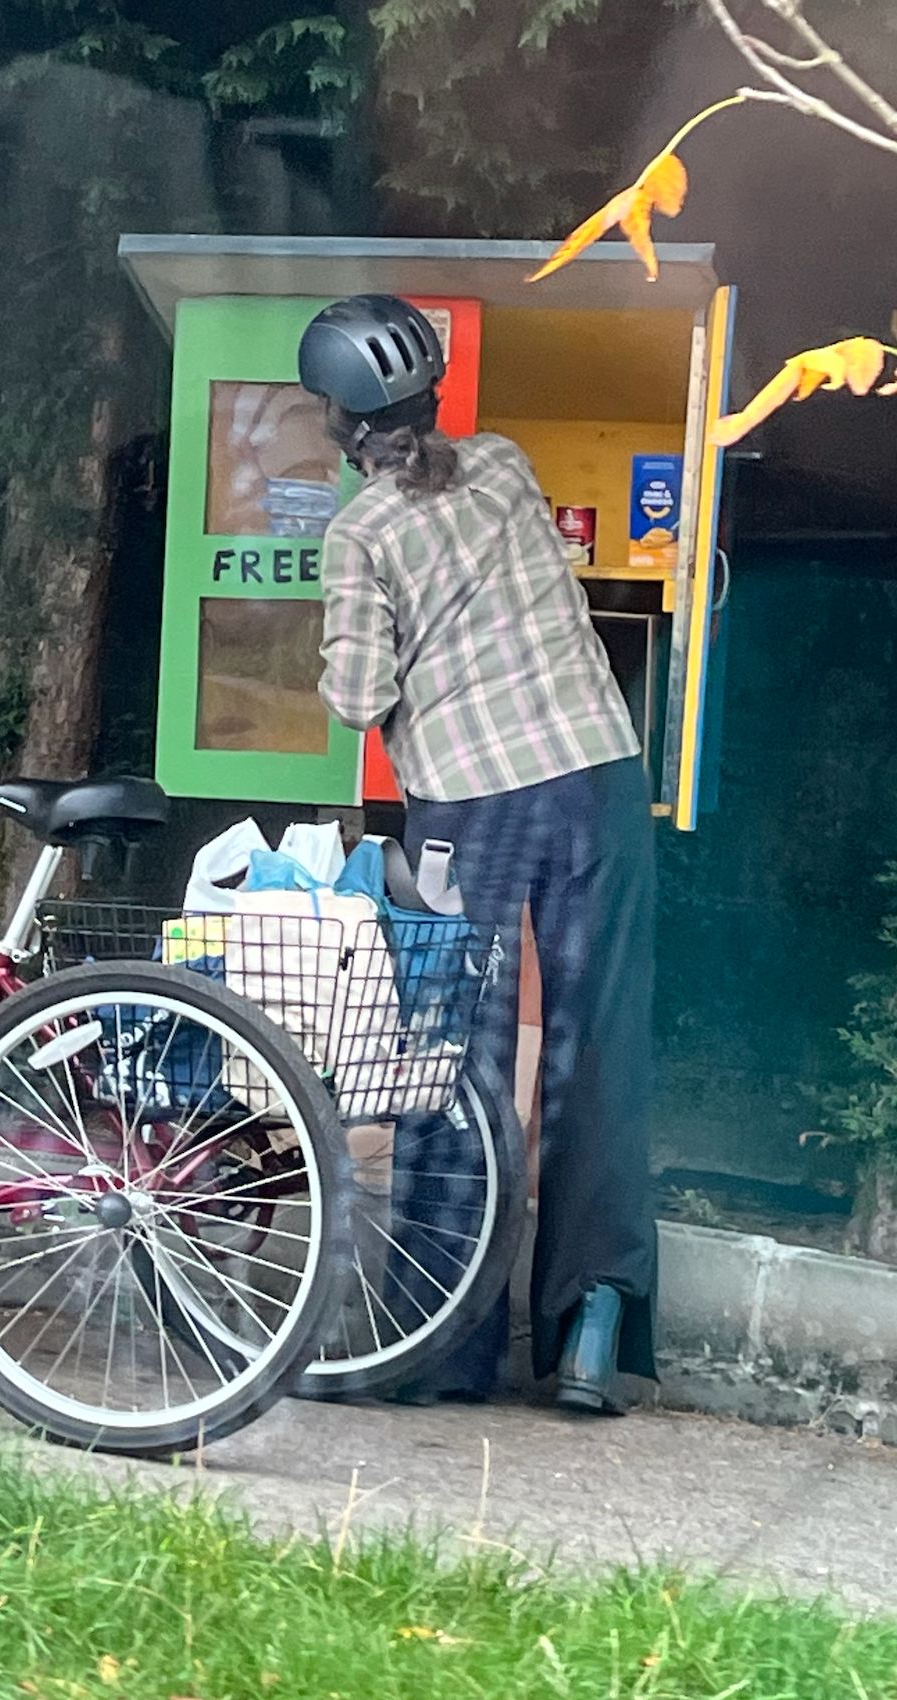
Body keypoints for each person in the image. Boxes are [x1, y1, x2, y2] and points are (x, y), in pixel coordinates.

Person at [298, 293, 658, 1414]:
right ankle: (591, 1323)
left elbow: (359, 695)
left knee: (455, 1063)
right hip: (598, 778)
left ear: (339, 419)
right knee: (598, 1047)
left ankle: (443, 1346)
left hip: (476, 807)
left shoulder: (359, 533)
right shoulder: (502, 464)